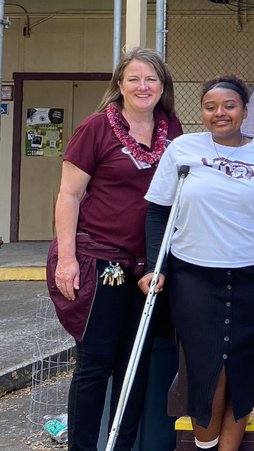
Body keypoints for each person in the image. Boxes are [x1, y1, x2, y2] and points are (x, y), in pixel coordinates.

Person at [142, 76, 254, 451]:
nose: (220, 113)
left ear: (245, 110)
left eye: (229, 105)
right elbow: (158, 213)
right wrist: (154, 266)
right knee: (207, 369)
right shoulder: (182, 149)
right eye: (210, 107)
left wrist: (237, 230)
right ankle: (206, 445)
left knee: (243, 368)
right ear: (201, 112)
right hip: (194, 276)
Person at [47, 49, 183, 451]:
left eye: (151, 79)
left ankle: (121, 446)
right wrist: (67, 259)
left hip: (148, 267)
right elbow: (69, 195)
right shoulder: (95, 128)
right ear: (119, 85)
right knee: (95, 363)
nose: (143, 87)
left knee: (134, 364)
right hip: (99, 260)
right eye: (134, 79)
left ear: (162, 86)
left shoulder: (172, 130)